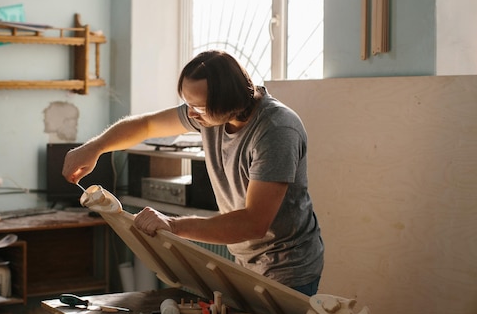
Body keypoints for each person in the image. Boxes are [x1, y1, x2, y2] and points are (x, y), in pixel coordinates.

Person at [63, 50, 324, 296]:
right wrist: (94, 148)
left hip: (289, 267)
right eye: (187, 103)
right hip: (247, 259)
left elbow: (253, 223)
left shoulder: (276, 130)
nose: (191, 113)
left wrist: (174, 225)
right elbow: (148, 125)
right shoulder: (210, 115)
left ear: (228, 102)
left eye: (198, 107)